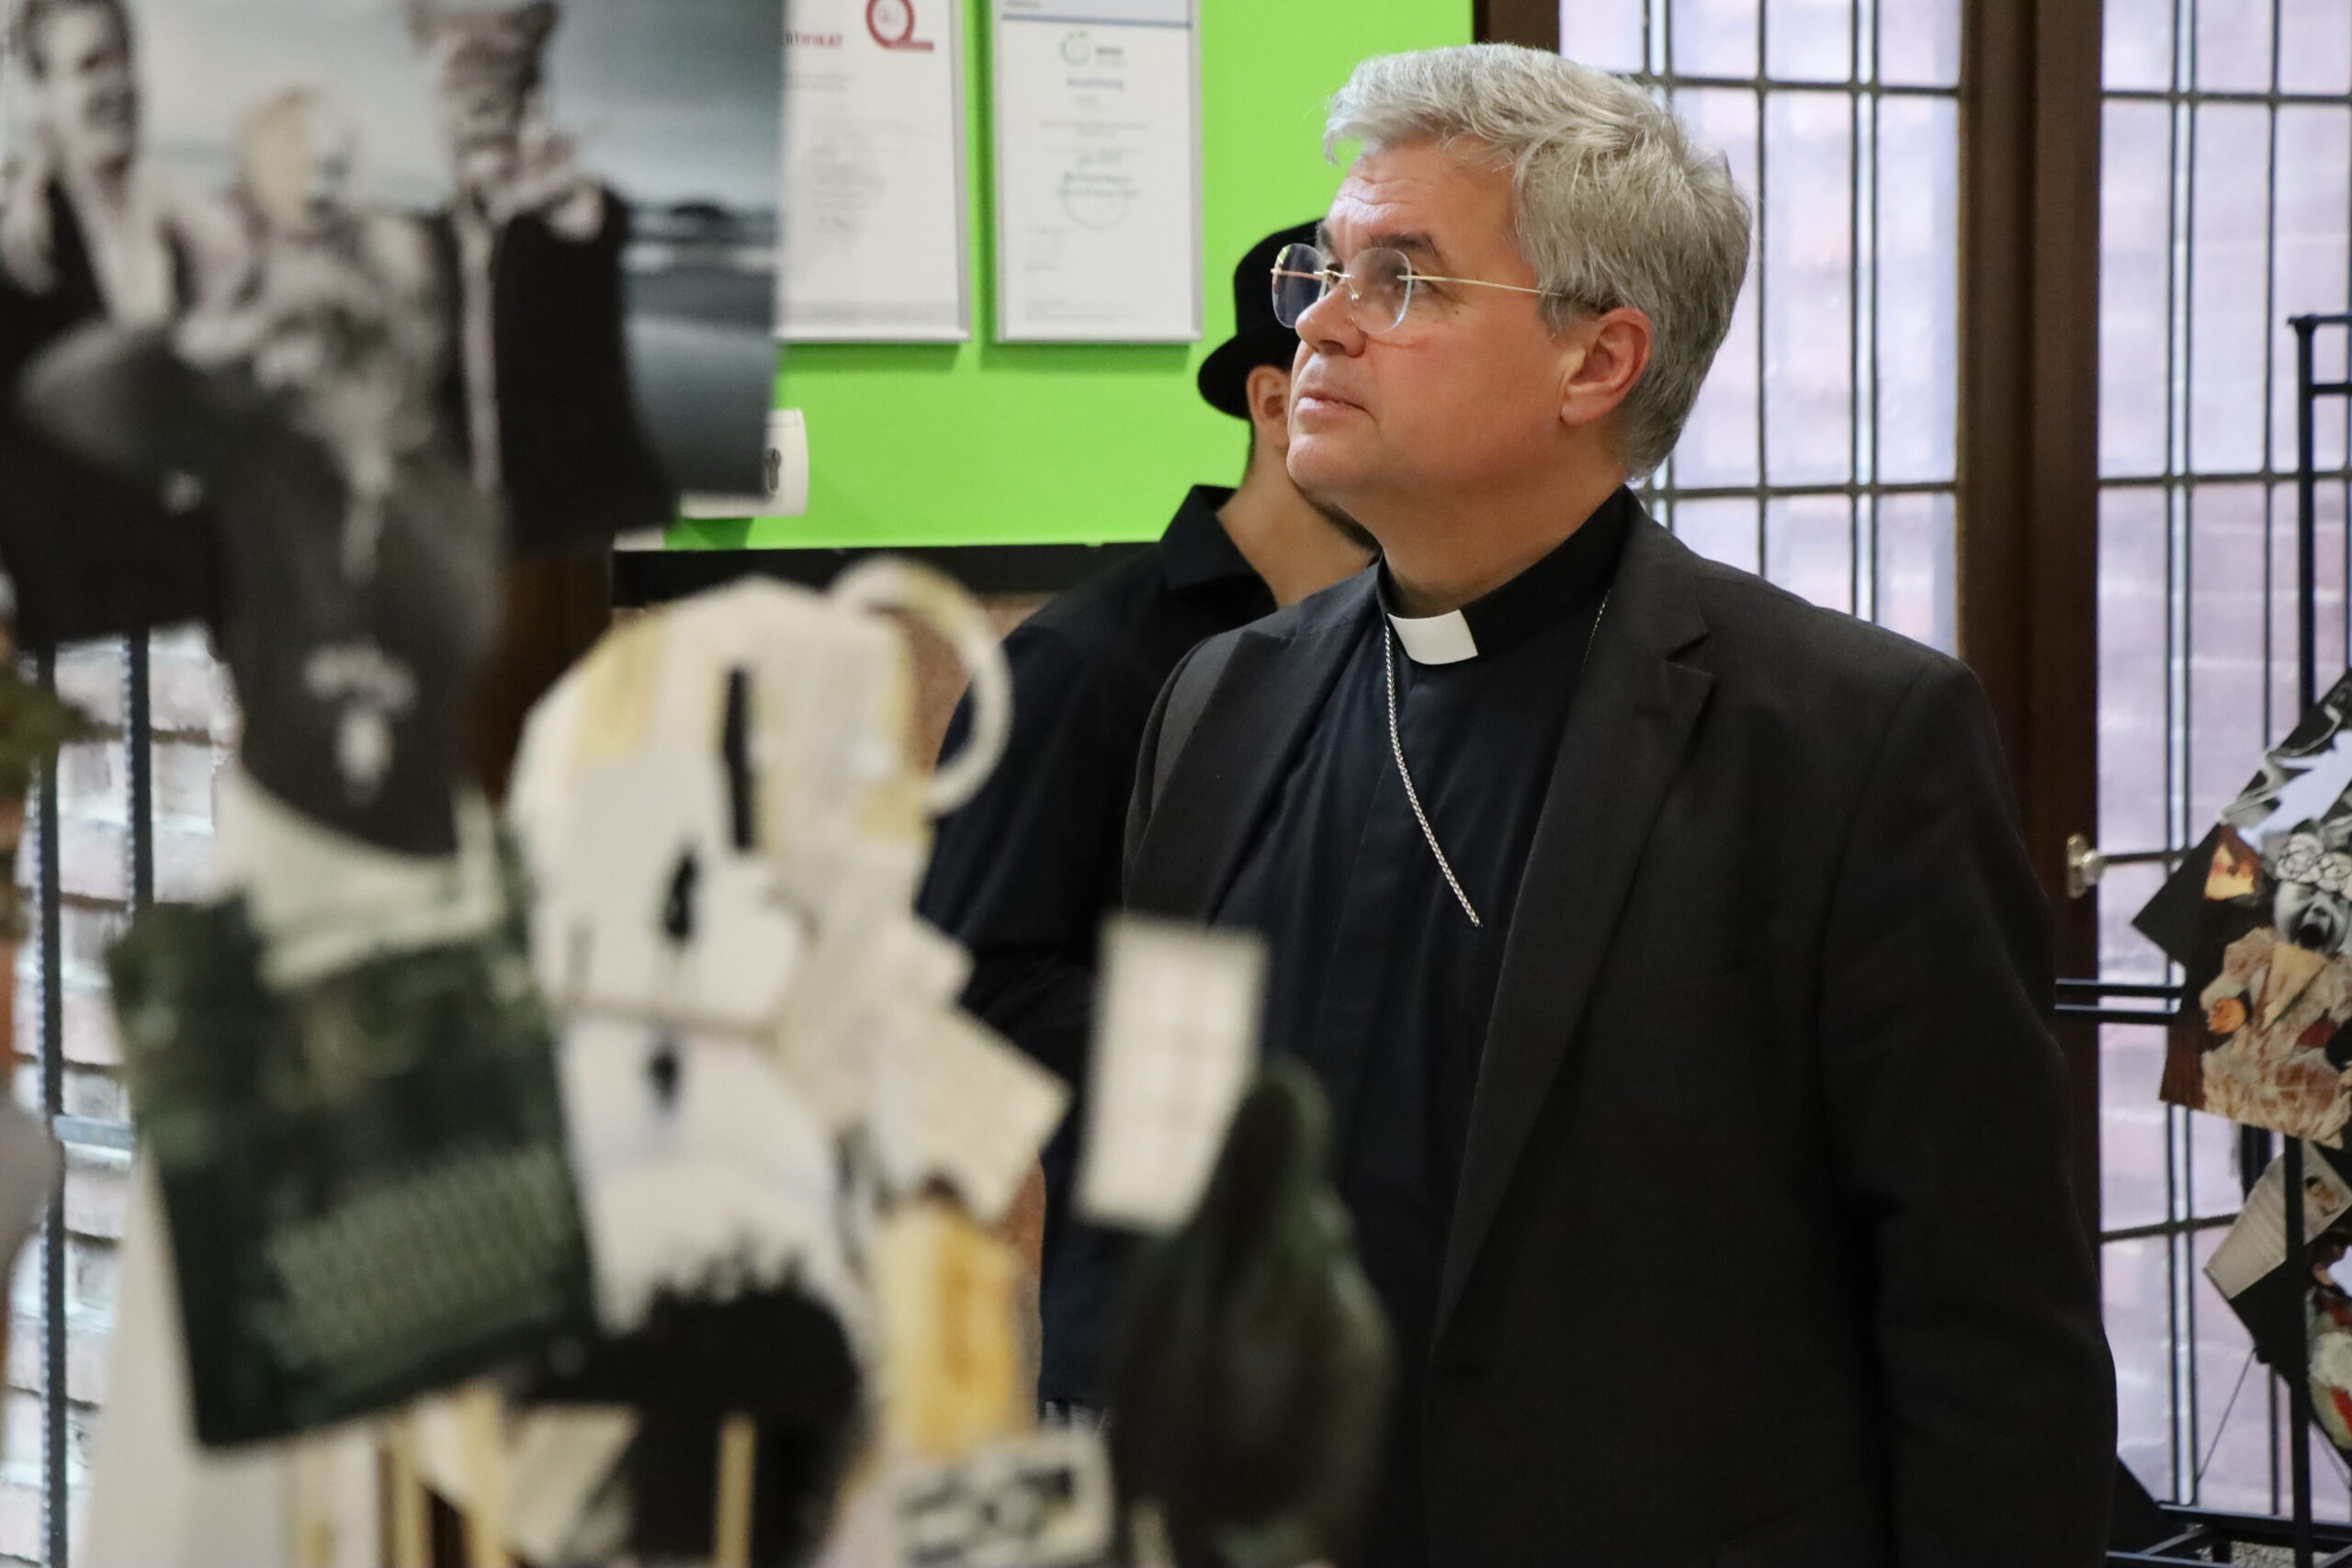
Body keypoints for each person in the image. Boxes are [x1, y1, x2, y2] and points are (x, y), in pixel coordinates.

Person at [1120, 47, 2115, 1567]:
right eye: (1328, 271)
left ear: (1600, 362)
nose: (1318, 322)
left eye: (1405, 282)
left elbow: (1984, 1314)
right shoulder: (1219, 701)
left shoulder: (1848, 739)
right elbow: (1158, 1177)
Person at [918, 220, 1375, 1416]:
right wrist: (1259, 1045)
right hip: (1155, 1333)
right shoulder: (1088, 661)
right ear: (1278, 404)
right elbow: (970, 980)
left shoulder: (1421, 645)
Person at [0, 0, 243, 647]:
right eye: (88, 66)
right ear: (41, 93)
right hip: (81, 641)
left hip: (213, 633)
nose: (114, 85)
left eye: (123, 59)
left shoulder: (193, 234)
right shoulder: (23, 256)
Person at [408, 0, 672, 548]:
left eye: (493, 106)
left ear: (533, 110)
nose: (475, 120)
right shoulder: (429, 239)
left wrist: (555, 194)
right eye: (456, 107)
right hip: (464, 536)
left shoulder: (564, 221)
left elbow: (593, 220)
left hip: (569, 532)